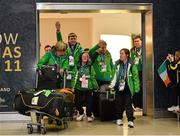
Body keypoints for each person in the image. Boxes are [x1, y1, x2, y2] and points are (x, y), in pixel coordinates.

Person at [109, 48, 140, 128]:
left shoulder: (132, 64)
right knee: (119, 105)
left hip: (128, 88)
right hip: (119, 87)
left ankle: (130, 120)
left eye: (122, 53)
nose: (120, 55)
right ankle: (119, 119)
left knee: (128, 105)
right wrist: (111, 85)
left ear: (127, 55)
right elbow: (114, 76)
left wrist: (136, 89)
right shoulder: (117, 64)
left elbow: (135, 77)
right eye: (120, 53)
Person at [89, 40, 115, 117]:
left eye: (105, 47)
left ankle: (109, 112)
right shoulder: (95, 54)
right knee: (96, 97)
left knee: (108, 96)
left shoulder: (108, 54)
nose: (103, 49)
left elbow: (111, 65)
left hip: (107, 79)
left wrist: (112, 75)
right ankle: (97, 113)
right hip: (97, 78)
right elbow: (90, 53)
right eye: (102, 47)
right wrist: (97, 46)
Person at [71, 52, 98, 122]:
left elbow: (93, 77)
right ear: (81, 58)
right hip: (78, 87)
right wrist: (72, 87)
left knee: (89, 102)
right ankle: (81, 113)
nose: (85, 57)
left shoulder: (90, 67)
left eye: (86, 56)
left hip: (89, 87)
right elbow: (74, 77)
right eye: (83, 56)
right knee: (77, 102)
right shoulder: (77, 66)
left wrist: (96, 87)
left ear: (88, 58)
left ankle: (89, 115)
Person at [130, 35, 143, 111]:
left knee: (141, 88)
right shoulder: (132, 50)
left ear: (141, 41)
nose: (136, 42)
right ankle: (136, 105)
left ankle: (142, 105)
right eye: (135, 41)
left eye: (138, 41)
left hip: (142, 71)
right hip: (134, 72)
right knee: (135, 88)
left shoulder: (144, 50)